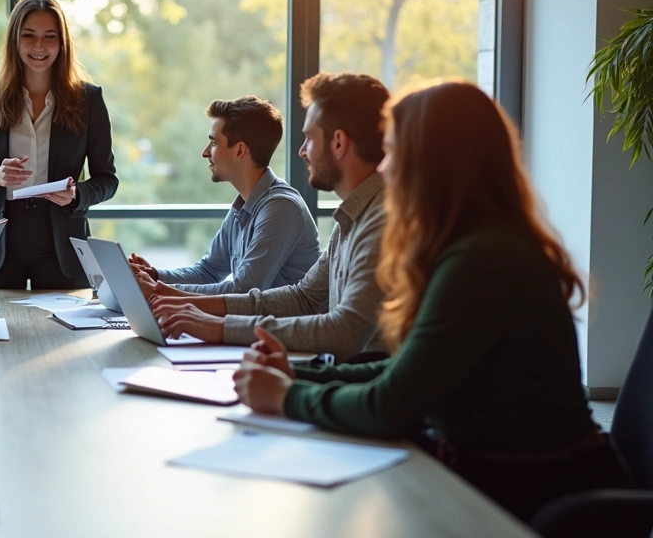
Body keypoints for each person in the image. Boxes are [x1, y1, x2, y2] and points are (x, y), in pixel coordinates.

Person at [233, 80, 633, 522]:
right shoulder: (469, 245)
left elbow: (389, 406)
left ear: (433, 163)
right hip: (495, 467)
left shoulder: (482, 259)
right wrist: (299, 372)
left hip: (533, 489)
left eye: (394, 153)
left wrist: (288, 396)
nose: (384, 169)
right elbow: (404, 369)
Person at [148, 72, 391, 360]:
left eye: (309, 139)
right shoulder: (351, 219)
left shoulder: (383, 220)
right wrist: (183, 302)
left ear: (338, 143)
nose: (302, 152)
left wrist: (219, 326)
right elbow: (305, 298)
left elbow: (343, 332)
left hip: (357, 389)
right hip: (336, 378)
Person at [0, 0, 118, 290]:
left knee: (65, 334)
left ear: (62, 43)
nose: (39, 46)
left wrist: (77, 195)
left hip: (62, 244)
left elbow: (107, 180)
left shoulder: (88, 100)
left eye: (49, 37)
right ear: (14, 40)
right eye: (29, 36)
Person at [127, 96, 319, 295]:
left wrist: (158, 290)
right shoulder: (243, 206)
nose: (205, 152)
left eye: (214, 143)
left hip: (278, 326)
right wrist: (154, 276)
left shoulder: (281, 208)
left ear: (239, 151)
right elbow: (209, 271)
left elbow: (243, 290)